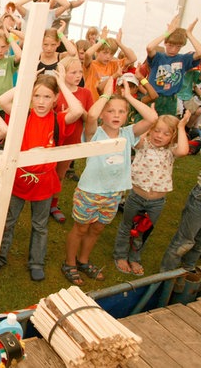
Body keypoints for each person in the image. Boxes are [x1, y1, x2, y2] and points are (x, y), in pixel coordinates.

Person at [62, 78, 158, 285]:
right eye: (111, 111)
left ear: (127, 115)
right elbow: (93, 115)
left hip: (114, 194)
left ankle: (83, 260)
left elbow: (151, 118)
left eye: (121, 111)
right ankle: (69, 263)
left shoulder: (128, 134)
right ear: (103, 113)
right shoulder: (94, 133)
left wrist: (129, 97)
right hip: (90, 191)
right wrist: (105, 95)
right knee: (80, 228)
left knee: (97, 228)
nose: (116, 115)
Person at [0, 73, 85, 281]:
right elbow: (2, 100)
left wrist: (62, 83)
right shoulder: (23, 115)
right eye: (37, 96)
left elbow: (78, 110)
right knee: (9, 221)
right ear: (30, 97)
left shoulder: (58, 119)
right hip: (19, 179)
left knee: (40, 225)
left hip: (44, 181)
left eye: (47, 97)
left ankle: (36, 262)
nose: (41, 102)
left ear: (55, 98)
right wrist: (28, 82)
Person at [113, 112, 190, 275]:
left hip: (156, 202)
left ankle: (134, 258)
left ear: (173, 137)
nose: (159, 136)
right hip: (136, 197)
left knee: (143, 230)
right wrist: (149, 123)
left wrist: (182, 127)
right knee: (127, 226)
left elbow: (183, 150)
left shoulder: (171, 151)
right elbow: (138, 134)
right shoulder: (143, 144)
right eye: (157, 130)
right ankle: (120, 255)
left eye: (166, 133)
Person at [49, 56, 94, 223]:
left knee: (59, 174)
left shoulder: (85, 93)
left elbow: (90, 118)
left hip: (71, 142)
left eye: (80, 72)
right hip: (53, 140)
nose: (78, 75)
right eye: (73, 72)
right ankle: (42, 201)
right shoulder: (55, 91)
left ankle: (53, 204)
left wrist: (79, 110)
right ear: (63, 73)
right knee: (48, 172)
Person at [145, 15, 201, 116]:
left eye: (178, 47)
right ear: (165, 43)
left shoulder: (183, 59)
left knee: (166, 126)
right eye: (170, 45)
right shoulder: (158, 57)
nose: (173, 50)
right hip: (153, 96)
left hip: (171, 99)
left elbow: (200, 52)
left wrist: (189, 34)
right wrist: (168, 33)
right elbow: (149, 47)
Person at [83, 26, 137, 101]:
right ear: (97, 51)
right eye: (105, 53)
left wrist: (119, 43)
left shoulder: (113, 64)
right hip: (89, 101)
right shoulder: (91, 64)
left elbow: (133, 58)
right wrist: (102, 41)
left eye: (111, 54)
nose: (108, 57)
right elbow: (88, 54)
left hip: (105, 102)